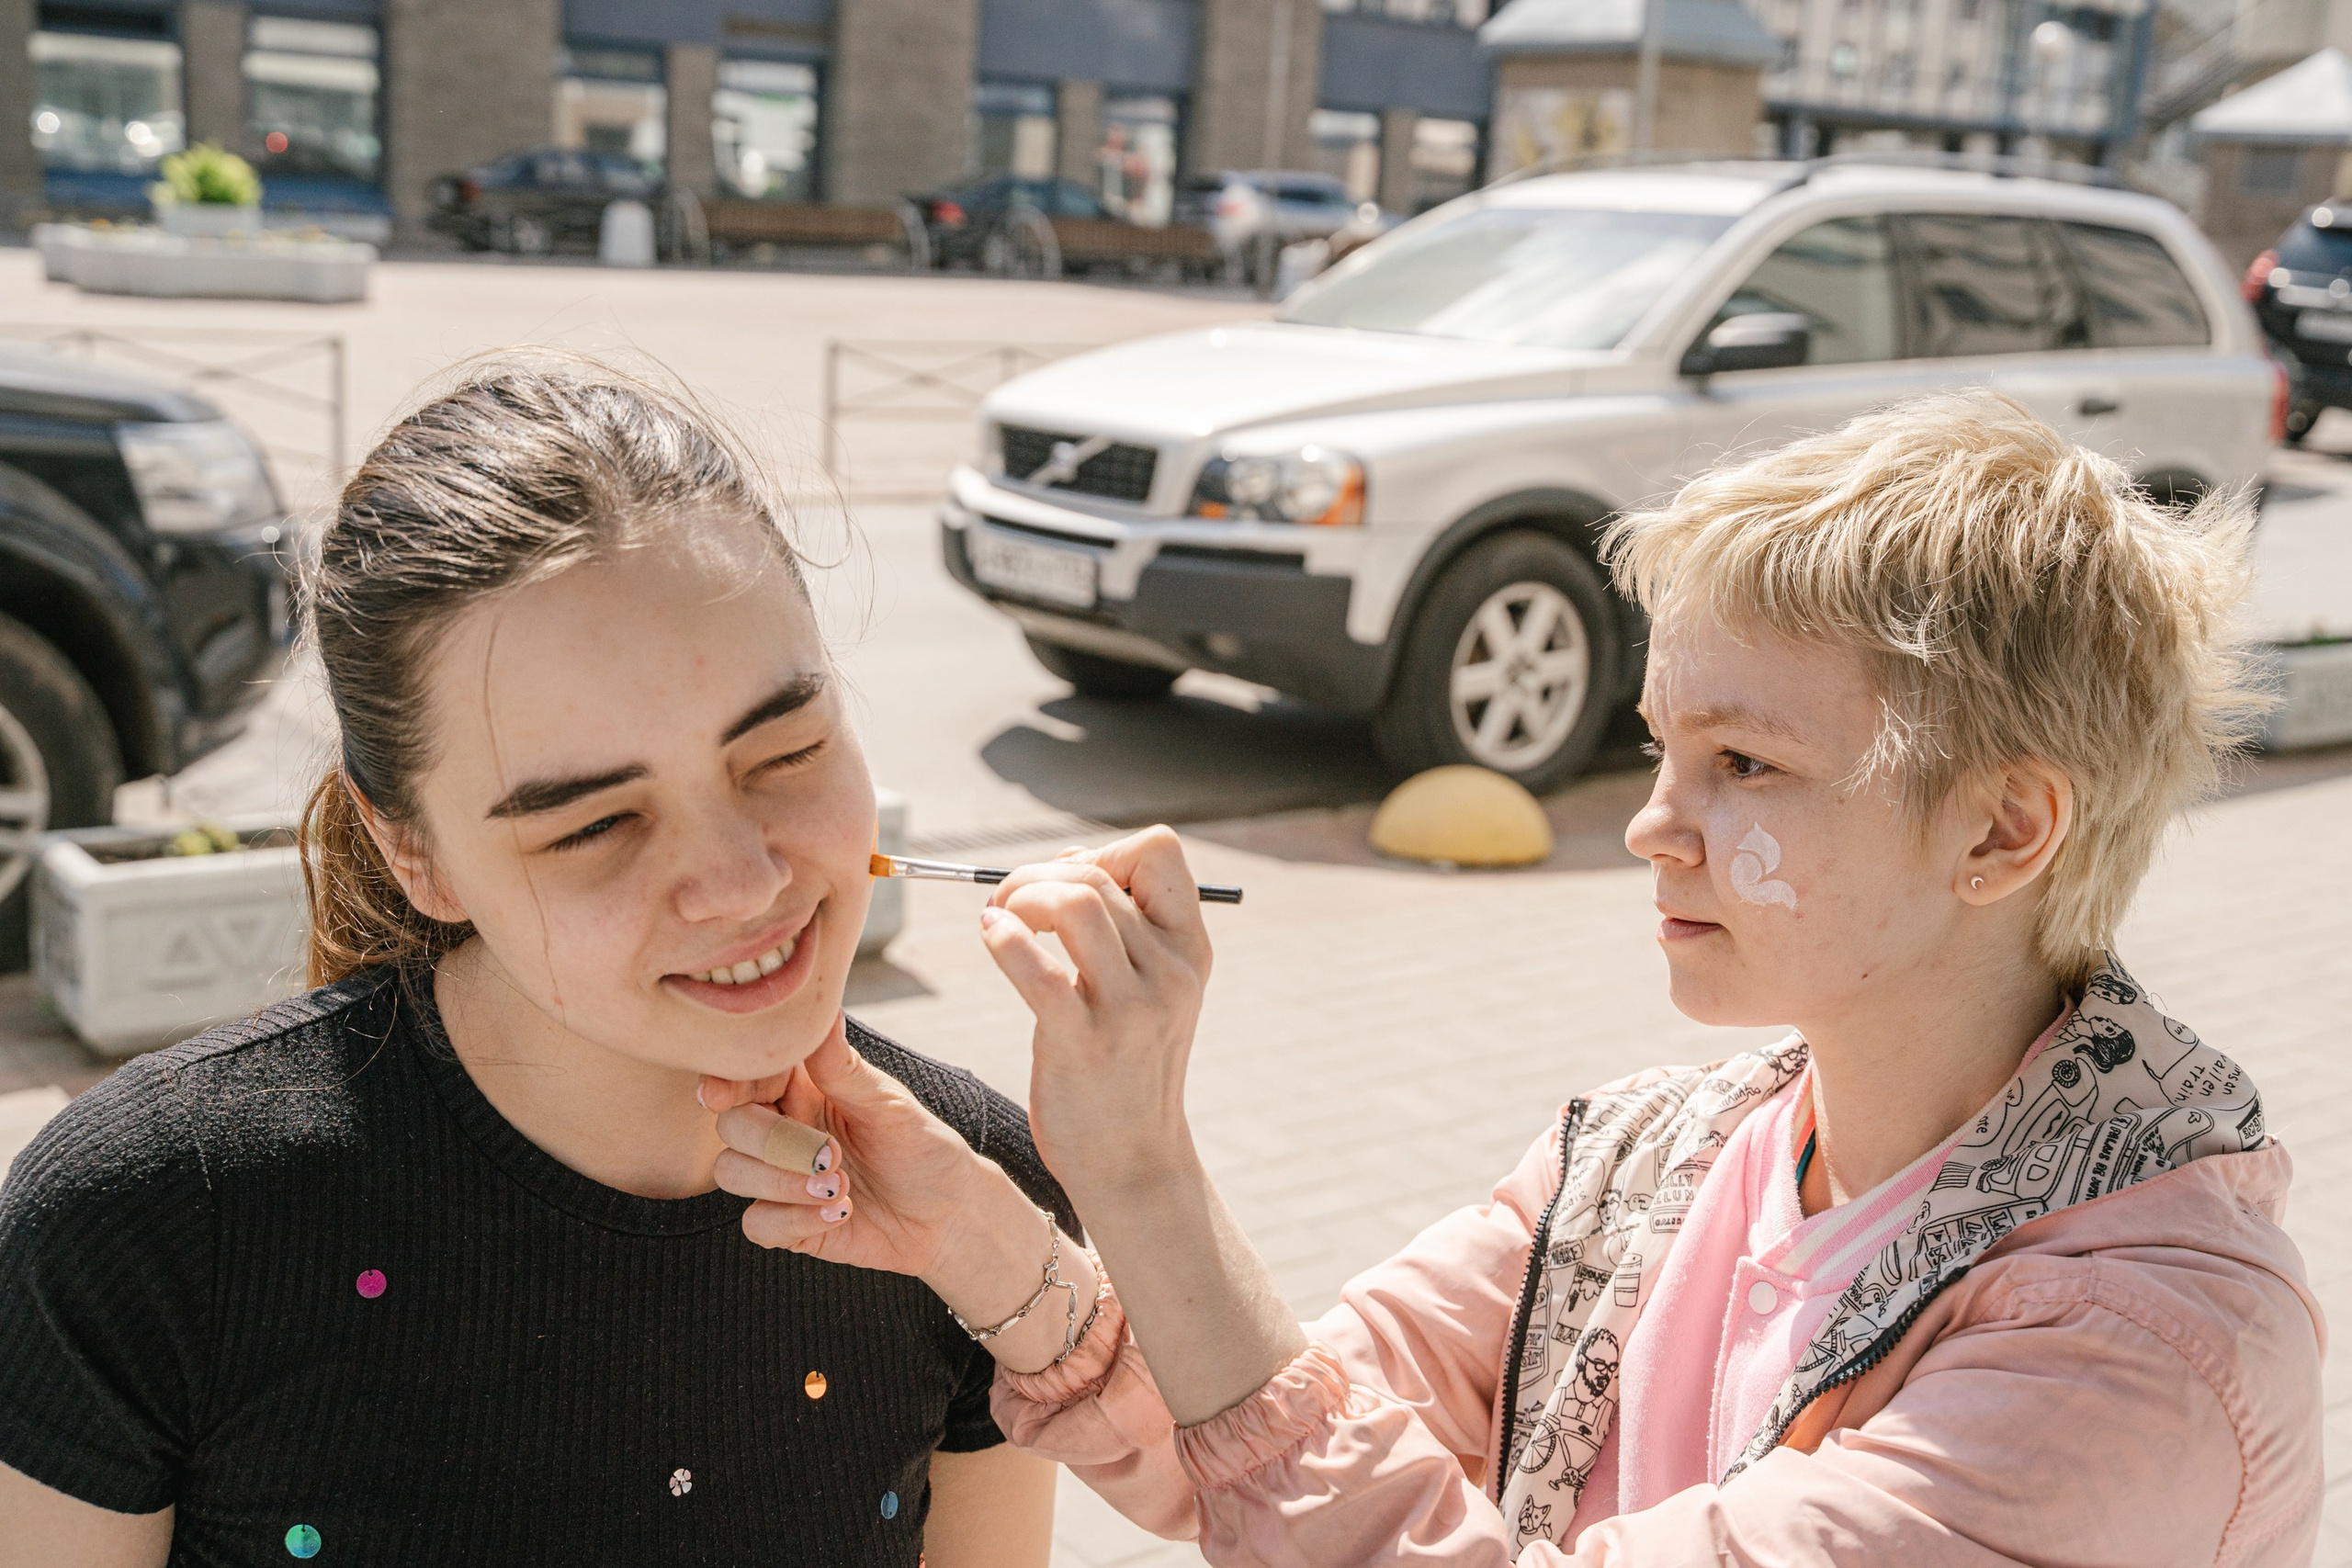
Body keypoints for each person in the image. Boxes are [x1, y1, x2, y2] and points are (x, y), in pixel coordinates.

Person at [706, 393, 2325, 1564]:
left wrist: (1139, 1164)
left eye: (1746, 763)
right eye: (1660, 749)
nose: (1650, 829)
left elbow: (1311, 1485)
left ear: (2001, 829)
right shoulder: (1645, 1160)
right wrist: (985, 1231)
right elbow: (1265, 1456)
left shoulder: (2135, 1355)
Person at [0, 358, 1084, 1567]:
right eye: (596, 825)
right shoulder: (145, 1224)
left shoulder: (982, 1208)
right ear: (415, 852)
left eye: (786, 749)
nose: (743, 882)